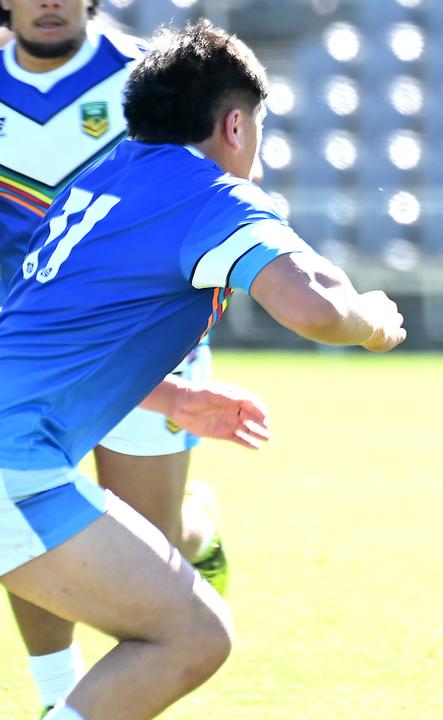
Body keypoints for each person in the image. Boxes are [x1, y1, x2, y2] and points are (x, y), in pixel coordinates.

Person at [0, 18, 406, 720]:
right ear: (237, 125)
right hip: (13, 461)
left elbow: (45, 342)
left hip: (18, 450)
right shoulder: (210, 195)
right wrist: (370, 321)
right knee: (191, 636)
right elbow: (312, 306)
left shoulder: (104, 179)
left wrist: (173, 398)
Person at [0, 2, 229, 714]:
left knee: (148, 542)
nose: (48, 1)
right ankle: (57, 695)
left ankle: (196, 526)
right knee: (38, 517)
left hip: (140, 349)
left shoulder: (149, 80)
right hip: (26, 357)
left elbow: (219, 195)